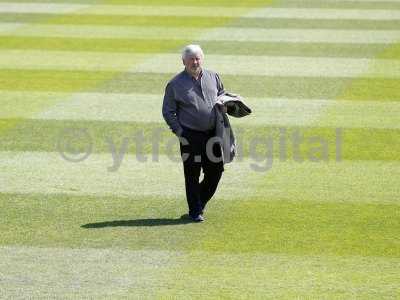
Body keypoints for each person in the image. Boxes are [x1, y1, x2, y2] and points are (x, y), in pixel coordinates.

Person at [162, 44, 226, 222]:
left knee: (216, 171)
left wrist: (226, 103)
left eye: (197, 58)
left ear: (202, 59)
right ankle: (195, 210)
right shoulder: (175, 84)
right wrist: (180, 132)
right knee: (192, 174)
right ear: (183, 61)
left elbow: (221, 93)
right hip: (190, 136)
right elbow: (168, 111)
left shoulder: (213, 77)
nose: (194, 62)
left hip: (212, 135)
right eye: (191, 59)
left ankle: (198, 200)